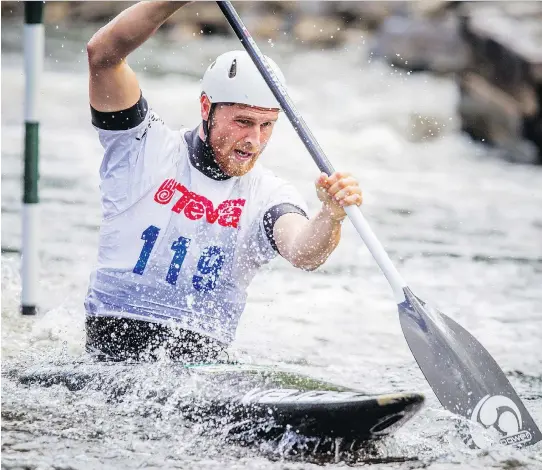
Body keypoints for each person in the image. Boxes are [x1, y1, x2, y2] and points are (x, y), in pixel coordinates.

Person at [84, 1, 363, 363]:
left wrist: (331, 216)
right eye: (243, 122)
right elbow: (103, 55)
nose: (255, 140)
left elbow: (304, 252)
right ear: (206, 107)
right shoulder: (142, 149)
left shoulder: (269, 194)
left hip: (203, 368)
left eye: (267, 126)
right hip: (111, 350)